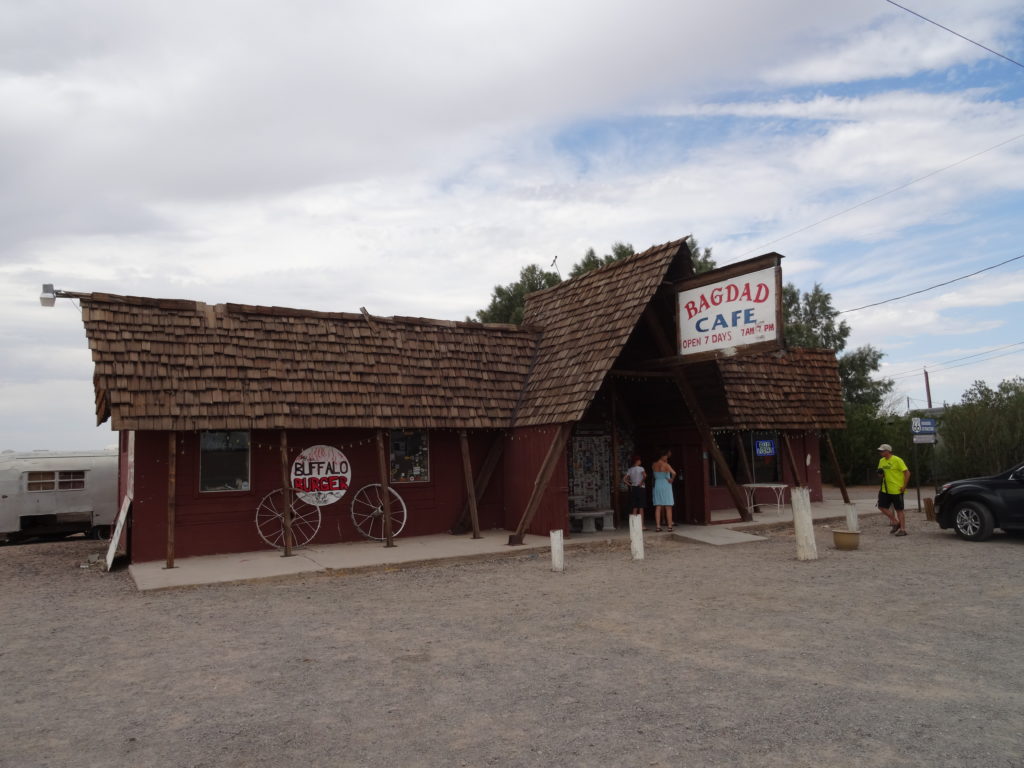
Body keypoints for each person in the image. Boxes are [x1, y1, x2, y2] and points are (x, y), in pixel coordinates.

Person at [876, 443, 910, 536]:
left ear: (888, 451)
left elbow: (907, 472)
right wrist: (880, 473)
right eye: (880, 451)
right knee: (881, 506)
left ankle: (903, 529)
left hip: (896, 489)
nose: (880, 452)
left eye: (882, 451)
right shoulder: (881, 461)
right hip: (885, 489)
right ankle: (895, 522)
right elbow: (880, 475)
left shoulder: (897, 460)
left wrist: (904, 486)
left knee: (899, 509)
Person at [651, 448, 677, 532]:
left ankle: (658, 526)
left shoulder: (654, 465)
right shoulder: (666, 465)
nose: (667, 458)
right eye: (666, 456)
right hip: (666, 484)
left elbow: (655, 475)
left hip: (657, 484)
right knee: (668, 506)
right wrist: (671, 480)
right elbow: (674, 473)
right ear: (663, 456)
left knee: (658, 506)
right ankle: (669, 526)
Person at [622, 455, 647, 520]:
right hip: (641, 488)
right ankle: (642, 525)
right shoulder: (641, 468)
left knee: (634, 506)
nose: (640, 461)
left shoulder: (630, 469)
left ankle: (634, 525)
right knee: (641, 507)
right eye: (640, 460)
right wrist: (641, 482)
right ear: (637, 461)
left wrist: (630, 484)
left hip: (633, 488)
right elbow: (645, 476)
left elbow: (624, 479)